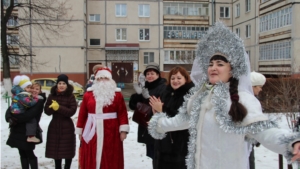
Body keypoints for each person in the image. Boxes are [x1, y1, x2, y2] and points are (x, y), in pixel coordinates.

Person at [148, 21, 300, 169]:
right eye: (210, 64)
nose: (213, 68)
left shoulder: (242, 99)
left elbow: (263, 131)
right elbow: (182, 120)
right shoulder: (200, 97)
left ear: (232, 70)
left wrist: (291, 143)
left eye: (220, 64)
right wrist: (159, 124)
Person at [75, 65, 129, 169]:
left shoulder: (117, 95)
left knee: (110, 155)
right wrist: (80, 131)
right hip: (91, 129)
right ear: (96, 80)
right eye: (99, 78)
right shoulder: (88, 94)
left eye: (105, 78)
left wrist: (123, 130)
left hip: (111, 131)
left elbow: (122, 112)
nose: (102, 81)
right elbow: (82, 113)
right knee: (92, 152)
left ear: (110, 80)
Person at [149, 66, 194, 169]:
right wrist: (154, 114)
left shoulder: (189, 96)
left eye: (179, 78)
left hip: (179, 144)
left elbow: (180, 118)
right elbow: (157, 114)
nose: (175, 81)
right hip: (162, 143)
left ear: (185, 79)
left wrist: (161, 109)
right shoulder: (166, 93)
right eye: (173, 78)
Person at [129, 62, 167, 167]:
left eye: (152, 73)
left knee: (159, 156)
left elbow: (162, 105)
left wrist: (148, 97)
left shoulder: (163, 87)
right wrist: (138, 94)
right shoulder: (145, 87)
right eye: (148, 74)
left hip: (158, 126)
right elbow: (133, 106)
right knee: (153, 155)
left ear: (158, 74)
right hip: (146, 127)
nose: (150, 76)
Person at [6, 80, 46, 169]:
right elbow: (10, 109)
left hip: (29, 131)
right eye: (32, 88)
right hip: (18, 130)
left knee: (29, 153)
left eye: (37, 89)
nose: (34, 90)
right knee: (22, 153)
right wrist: (9, 117)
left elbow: (29, 115)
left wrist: (15, 118)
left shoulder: (39, 101)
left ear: (40, 91)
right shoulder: (24, 97)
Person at [44, 74, 77, 169]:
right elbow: (47, 111)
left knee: (67, 151)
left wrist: (59, 108)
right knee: (56, 150)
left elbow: (72, 111)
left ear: (67, 85)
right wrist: (51, 108)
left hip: (67, 126)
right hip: (54, 126)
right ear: (57, 84)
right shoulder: (52, 96)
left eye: (63, 83)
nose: (61, 85)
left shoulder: (70, 96)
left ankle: (67, 167)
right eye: (59, 83)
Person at [10, 75, 40, 143]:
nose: (30, 89)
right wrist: (35, 99)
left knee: (13, 122)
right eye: (28, 87)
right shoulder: (23, 95)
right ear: (23, 88)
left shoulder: (17, 93)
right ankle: (31, 136)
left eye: (30, 87)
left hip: (14, 110)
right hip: (19, 111)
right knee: (32, 121)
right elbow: (29, 103)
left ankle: (11, 132)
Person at [248, 71, 266, 169]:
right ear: (252, 86)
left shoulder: (254, 100)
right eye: (259, 86)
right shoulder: (248, 101)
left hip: (251, 141)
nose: (261, 89)